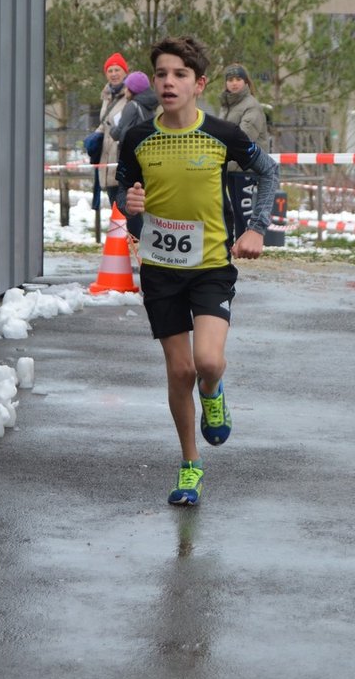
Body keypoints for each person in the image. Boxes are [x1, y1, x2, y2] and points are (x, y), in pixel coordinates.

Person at [115, 36, 279, 508]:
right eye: (162, 74)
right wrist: (129, 205)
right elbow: (124, 190)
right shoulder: (138, 137)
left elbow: (267, 172)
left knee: (206, 362)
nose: (169, 82)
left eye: (180, 75)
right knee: (180, 369)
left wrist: (257, 228)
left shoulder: (222, 133)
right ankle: (190, 464)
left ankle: (213, 390)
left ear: (199, 84)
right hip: (160, 269)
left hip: (210, 267)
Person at [114, 70, 158, 240]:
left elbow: (120, 132)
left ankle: (135, 239)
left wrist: (112, 129)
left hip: (132, 157)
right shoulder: (151, 106)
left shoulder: (132, 106)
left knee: (129, 200)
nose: (125, 90)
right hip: (148, 157)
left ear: (132, 89)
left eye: (127, 87)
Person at [94, 52, 132, 209]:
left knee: (127, 213)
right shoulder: (107, 96)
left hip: (123, 158)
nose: (114, 74)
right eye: (110, 70)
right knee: (115, 210)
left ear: (125, 72)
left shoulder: (130, 95)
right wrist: (95, 137)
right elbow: (105, 123)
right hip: (107, 158)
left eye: (117, 70)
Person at [213, 64, 268, 147]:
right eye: (230, 80)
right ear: (226, 83)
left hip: (247, 155)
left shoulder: (252, 106)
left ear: (245, 81)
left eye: (238, 79)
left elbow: (243, 139)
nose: (234, 83)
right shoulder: (226, 106)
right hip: (229, 154)